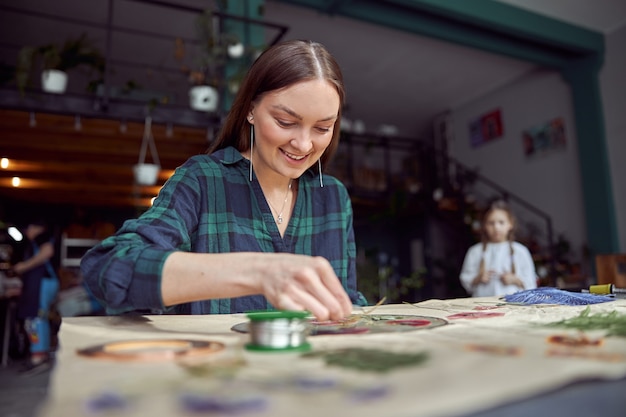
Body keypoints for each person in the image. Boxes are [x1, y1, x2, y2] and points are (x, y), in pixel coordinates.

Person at [81, 39, 367, 321]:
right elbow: (109, 268)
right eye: (285, 122)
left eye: (322, 127)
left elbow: (346, 301)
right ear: (250, 110)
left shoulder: (332, 197)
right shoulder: (203, 180)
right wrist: (257, 272)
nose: (304, 145)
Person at [459, 200, 537, 297]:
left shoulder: (521, 251)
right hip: (482, 305)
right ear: (484, 225)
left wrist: (514, 279)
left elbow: (531, 282)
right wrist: (478, 278)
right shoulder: (475, 251)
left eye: (501, 222)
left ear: (510, 224)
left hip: (513, 307)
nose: (496, 227)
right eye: (491, 223)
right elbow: (465, 279)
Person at [11, 218, 60, 372]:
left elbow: (47, 252)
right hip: (41, 284)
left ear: (36, 227)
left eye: (29, 228)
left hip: (43, 284)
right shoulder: (36, 242)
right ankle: (39, 353)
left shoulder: (42, 237)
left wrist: (24, 266)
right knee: (37, 318)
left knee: (36, 319)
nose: (27, 232)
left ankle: (38, 357)